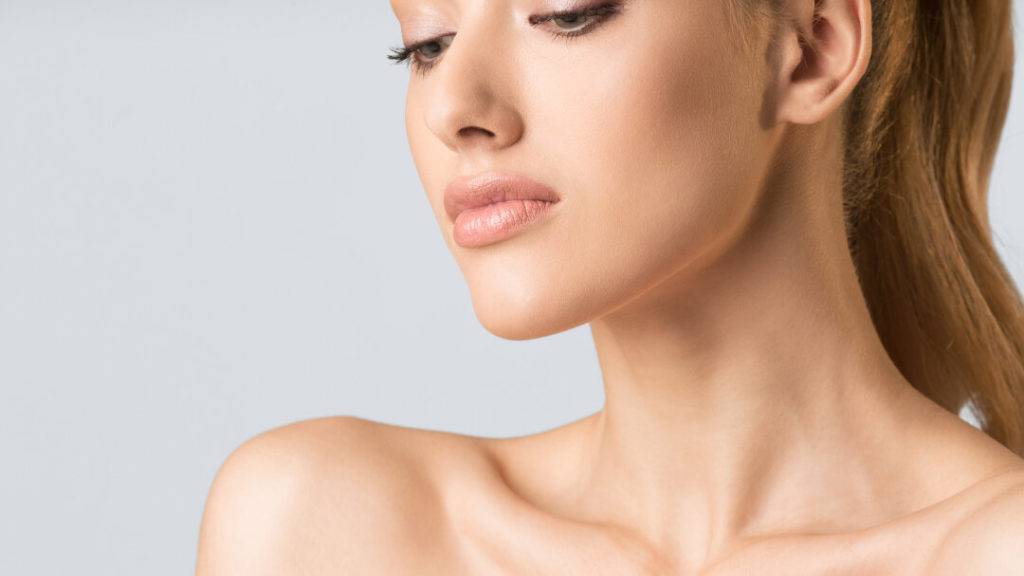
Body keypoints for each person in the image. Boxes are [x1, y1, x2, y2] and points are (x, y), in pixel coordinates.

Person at [195, 0, 1024, 573]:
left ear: (810, 47)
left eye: (567, 15)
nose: (453, 106)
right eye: (427, 44)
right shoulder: (322, 531)